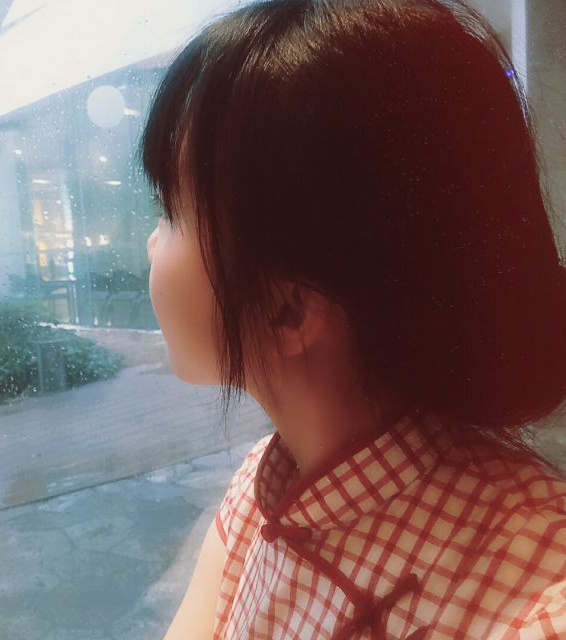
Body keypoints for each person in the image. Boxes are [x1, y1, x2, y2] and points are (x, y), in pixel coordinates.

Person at [142, 0, 566, 637]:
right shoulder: (257, 495)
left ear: (288, 308)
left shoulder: (542, 602)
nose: (151, 241)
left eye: (171, 211)